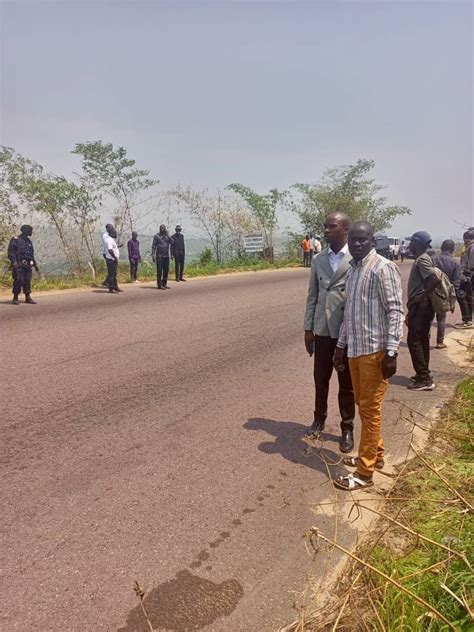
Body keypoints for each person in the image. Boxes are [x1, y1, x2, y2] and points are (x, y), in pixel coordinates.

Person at [333, 222, 403, 490]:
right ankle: (377, 456)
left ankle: (364, 473)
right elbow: (349, 314)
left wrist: (392, 352)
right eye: (354, 240)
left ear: (372, 240)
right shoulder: (353, 271)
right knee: (364, 406)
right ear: (349, 241)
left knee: (371, 410)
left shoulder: (383, 268)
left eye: (363, 240)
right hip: (355, 351)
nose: (358, 244)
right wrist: (340, 348)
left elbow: (395, 310)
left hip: (375, 352)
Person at [304, 212, 355, 453]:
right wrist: (308, 328)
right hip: (323, 329)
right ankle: (319, 419)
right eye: (324, 227)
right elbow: (312, 296)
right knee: (320, 378)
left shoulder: (356, 257)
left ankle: (347, 427)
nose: (325, 231)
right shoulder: (318, 259)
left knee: (346, 382)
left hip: (345, 330)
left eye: (331, 227)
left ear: (345, 229)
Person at [405, 231, 441, 390]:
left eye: (411, 242)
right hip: (422, 305)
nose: (409, 245)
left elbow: (434, 279)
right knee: (421, 339)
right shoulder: (421, 259)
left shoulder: (422, 259)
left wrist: (421, 297)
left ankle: (424, 379)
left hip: (422, 306)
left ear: (417, 244)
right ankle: (423, 373)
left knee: (414, 341)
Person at [432, 240, 461, 348]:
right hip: (444, 294)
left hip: (431, 291)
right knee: (441, 318)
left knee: (428, 317)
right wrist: (453, 299)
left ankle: (426, 337)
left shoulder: (433, 259)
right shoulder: (455, 263)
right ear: (453, 250)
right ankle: (439, 342)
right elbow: (456, 282)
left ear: (441, 247)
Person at [7, 225, 39, 305]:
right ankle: (15, 297)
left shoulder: (28, 241)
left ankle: (28, 297)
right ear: (25, 231)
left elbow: (30, 254)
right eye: (30, 230)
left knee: (27, 280)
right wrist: (14, 262)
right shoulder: (16, 240)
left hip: (28, 264)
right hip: (19, 264)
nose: (31, 232)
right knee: (18, 280)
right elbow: (11, 252)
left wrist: (35, 264)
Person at [455, 229, 474, 329]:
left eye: (465, 239)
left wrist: (465, 276)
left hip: (468, 277)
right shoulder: (469, 247)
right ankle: (468, 320)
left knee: (462, 296)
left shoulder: (472, 248)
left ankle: (467, 320)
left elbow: (471, 265)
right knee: (468, 297)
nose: (464, 241)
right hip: (467, 276)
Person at [152, 224, 174, 289]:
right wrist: (153, 255)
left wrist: (168, 235)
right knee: (159, 270)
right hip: (159, 256)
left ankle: (164, 283)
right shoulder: (156, 236)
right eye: (161, 228)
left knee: (166, 270)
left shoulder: (167, 236)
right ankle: (159, 284)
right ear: (159, 229)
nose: (162, 229)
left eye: (163, 228)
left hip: (166, 256)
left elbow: (172, 242)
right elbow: (153, 246)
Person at [103, 224, 122, 293]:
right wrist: (115, 257)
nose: (115, 234)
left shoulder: (112, 240)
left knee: (114, 274)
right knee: (111, 274)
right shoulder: (109, 240)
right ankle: (111, 288)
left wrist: (117, 247)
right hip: (111, 259)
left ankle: (115, 286)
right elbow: (110, 250)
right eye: (114, 233)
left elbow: (113, 248)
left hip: (113, 259)